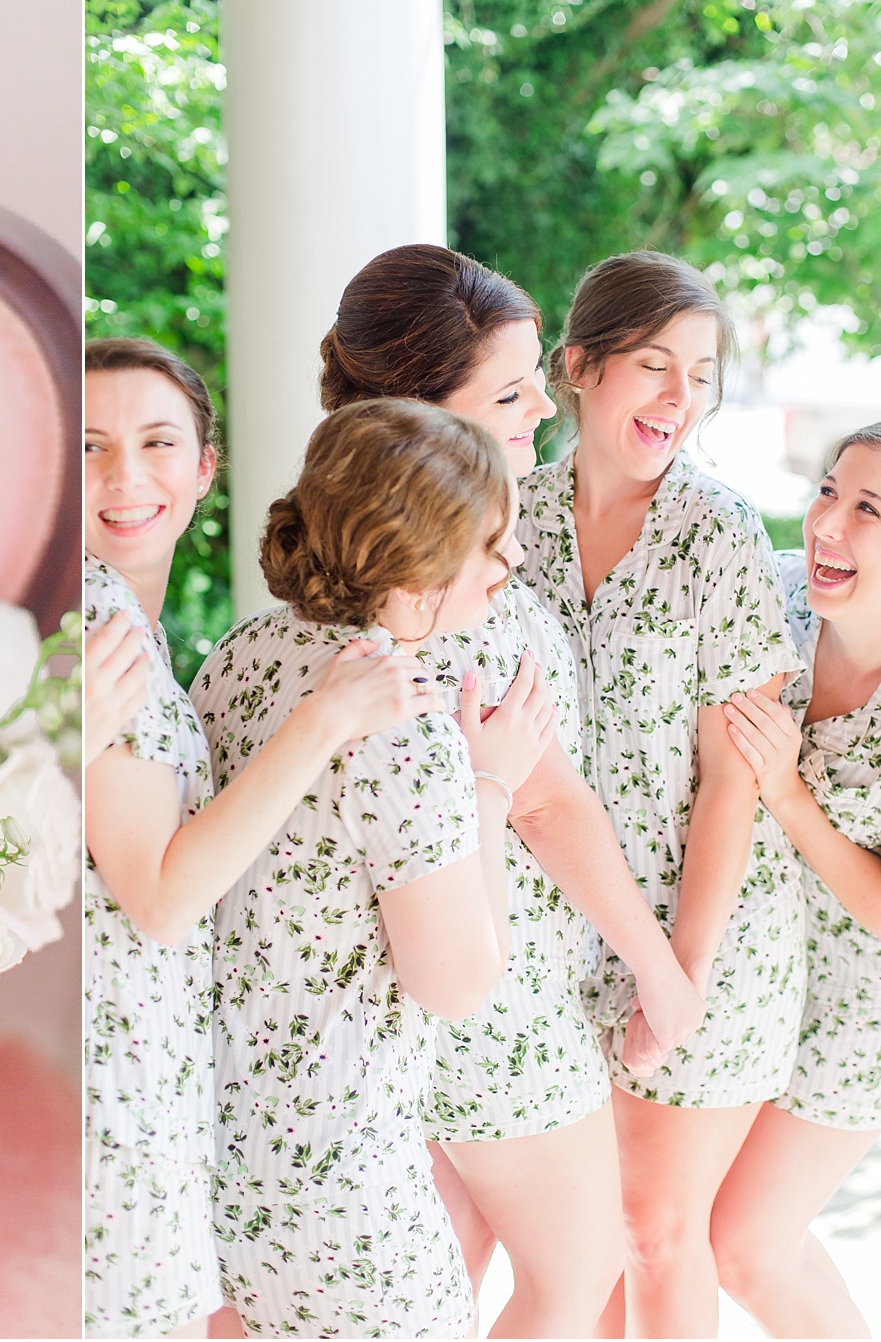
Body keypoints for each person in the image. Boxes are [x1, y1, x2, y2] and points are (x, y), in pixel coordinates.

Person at [319, 244, 707, 1336]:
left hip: (424, 996)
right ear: (421, 413)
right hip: (502, 998)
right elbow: (549, 804)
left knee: (461, 1271)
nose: (543, 402)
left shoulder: (360, 554)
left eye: (538, 372)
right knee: (575, 1274)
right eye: (509, 389)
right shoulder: (459, 589)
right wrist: (661, 968)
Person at [80, 338, 437, 1339]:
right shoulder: (96, 615)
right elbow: (159, 894)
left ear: (206, 466)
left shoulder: (139, 635)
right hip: (112, 1088)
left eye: (156, 442)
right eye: (92, 447)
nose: (124, 476)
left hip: (146, 1078)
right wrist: (324, 720)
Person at [191, 396, 555, 1337]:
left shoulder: (241, 655)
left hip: (219, 1158)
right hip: (344, 1186)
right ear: (416, 568)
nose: (512, 564)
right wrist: (491, 783)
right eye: (492, 544)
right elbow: (459, 980)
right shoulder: (401, 716)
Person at [515, 250, 806, 1337]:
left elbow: (735, 773)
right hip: (565, 938)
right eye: (654, 364)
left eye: (702, 371)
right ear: (581, 366)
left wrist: (677, 967)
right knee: (586, 1238)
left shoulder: (718, 534)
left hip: (710, 934)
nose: (681, 397)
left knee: (653, 1227)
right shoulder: (509, 521)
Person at [706, 419, 881, 1336]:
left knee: (744, 1243)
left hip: (869, 1008)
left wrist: (786, 793)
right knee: (694, 1219)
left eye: (868, 508)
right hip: (752, 970)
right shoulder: (776, 597)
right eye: (829, 489)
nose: (826, 520)